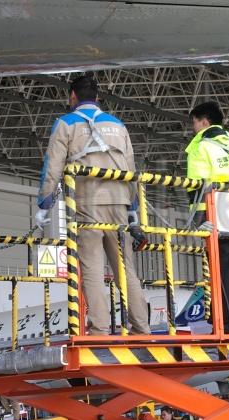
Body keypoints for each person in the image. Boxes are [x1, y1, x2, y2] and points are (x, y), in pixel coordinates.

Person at [35, 74, 150, 336]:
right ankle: (142, 328)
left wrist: (45, 202)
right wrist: (133, 208)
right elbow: (131, 167)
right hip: (119, 202)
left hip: (87, 203)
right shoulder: (118, 125)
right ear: (97, 98)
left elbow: (52, 166)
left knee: (92, 269)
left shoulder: (65, 123)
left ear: (72, 97)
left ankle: (99, 329)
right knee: (125, 269)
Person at [186, 101, 229, 334]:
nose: (193, 128)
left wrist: (199, 221)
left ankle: (223, 327)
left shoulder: (201, 148)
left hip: (218, 212)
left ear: (204, 122)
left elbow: (197, 187)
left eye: (194, 123)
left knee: (221, 273)